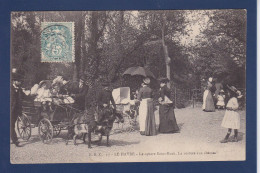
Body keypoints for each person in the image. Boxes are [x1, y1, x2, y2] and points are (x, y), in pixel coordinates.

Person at [11, 68, 25, 147]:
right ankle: (16, 141)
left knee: (12, 125)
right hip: (9, 110)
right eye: (18, 81)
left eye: (20, 81)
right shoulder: (9, 88)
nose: (20, 82)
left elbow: (25, 97)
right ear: (14, 81)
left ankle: (11, 138)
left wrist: (33, 95)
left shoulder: (19, 89)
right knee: (11, 124)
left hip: (16, 110)